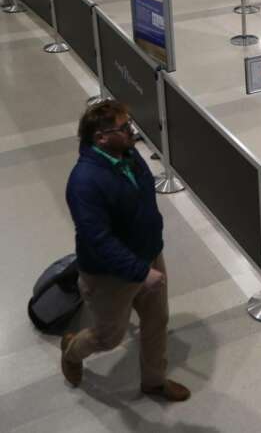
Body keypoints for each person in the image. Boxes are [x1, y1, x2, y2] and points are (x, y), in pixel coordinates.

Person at [60, 100, 191, 402]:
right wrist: (140, 272)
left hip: (148, 257)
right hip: (109, 276)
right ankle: (71, 350)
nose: (131, 130)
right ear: (101, 138)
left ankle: (154, 382)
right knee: (108, 337)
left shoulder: (129, 154)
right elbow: (98, 240)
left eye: (128, 123)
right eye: (123, 128)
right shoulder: (84, 182)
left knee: (157, 321)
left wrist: (152, 250)